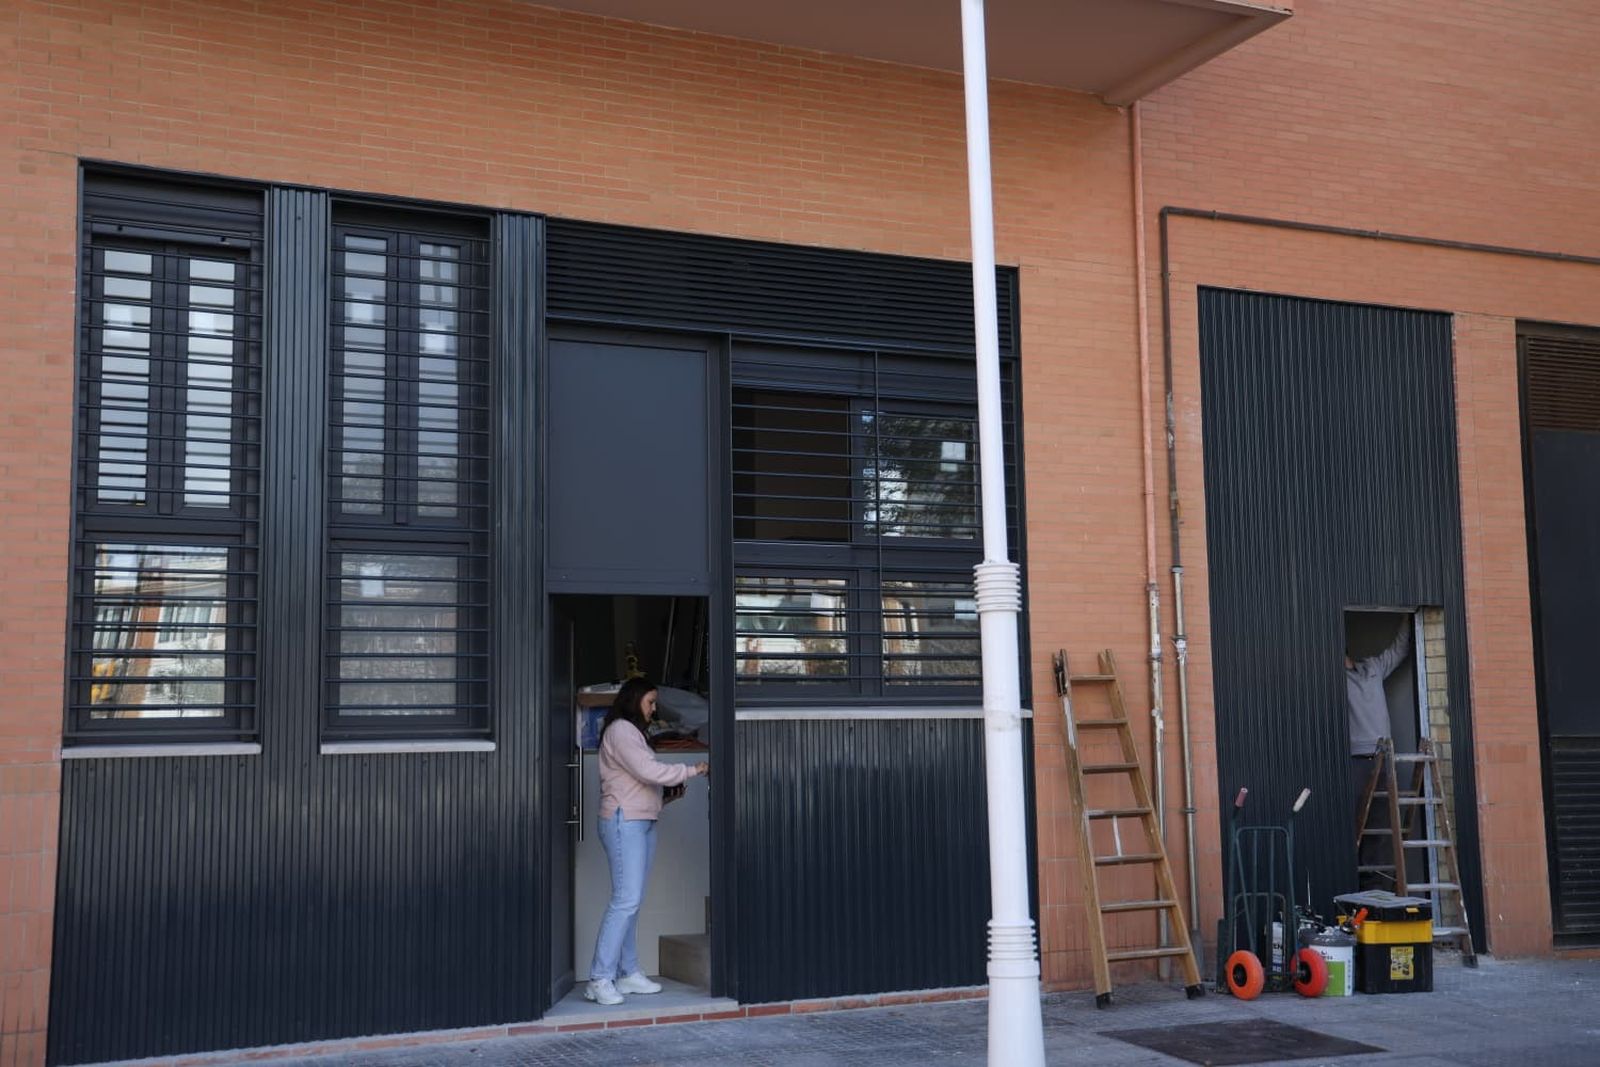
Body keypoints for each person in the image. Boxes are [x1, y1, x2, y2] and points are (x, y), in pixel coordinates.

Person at [585, 676, 709, 1006]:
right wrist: (692, 769)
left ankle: (627, 973)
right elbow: (648, 771)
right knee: (625, 900)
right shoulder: (621, 730)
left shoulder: (632, 732)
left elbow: (639, 782)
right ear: (634, 699)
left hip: (640, 820)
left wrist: (665, 797)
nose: (654, 709)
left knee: (631, 901)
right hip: (624, 822)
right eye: (651, 702)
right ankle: (599, 978)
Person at [1346, 619, 1411, 882]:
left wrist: (1407, 615)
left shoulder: (1372, 667)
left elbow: (1399, 650)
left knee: (1380, 824)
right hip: (1356, 760)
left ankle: (1377, 885)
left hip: (1383, 757)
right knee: (1355, 823)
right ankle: (1355, 884)